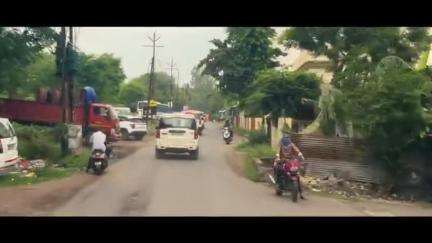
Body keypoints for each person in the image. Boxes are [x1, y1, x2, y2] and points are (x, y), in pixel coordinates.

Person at [279, 135, 305, 199]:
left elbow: (297, 150)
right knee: (281, 170)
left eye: (287, 140)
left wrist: (300, 155)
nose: (286, 142)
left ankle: (301, 192)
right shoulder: (281, 146)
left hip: (292, 161)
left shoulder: (292, 145)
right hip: (284, 161)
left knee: (297, 175)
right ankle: (280, 185)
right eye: (285, 140)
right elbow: (279, 154)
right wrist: (278, 158)